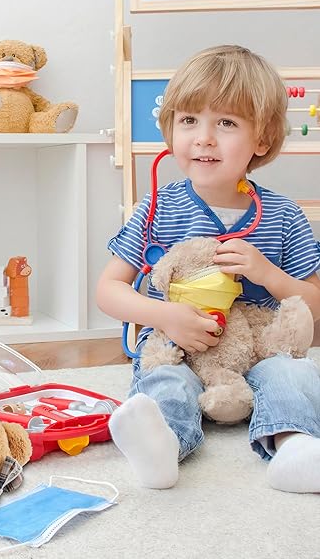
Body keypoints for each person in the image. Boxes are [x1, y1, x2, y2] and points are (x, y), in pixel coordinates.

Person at [96, 45, 320, 492]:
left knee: (292, 373)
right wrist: (164, 316)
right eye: (189, 120)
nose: (203, 137)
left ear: (262, 140)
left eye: (227, 123)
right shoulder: (158, 208)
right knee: (165, 381)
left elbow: (313, 306)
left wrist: (268, 275)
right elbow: (108, 290)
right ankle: (163, 449)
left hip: (258, 354)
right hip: (178, 349)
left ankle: (294, 446)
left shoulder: (283, 215)